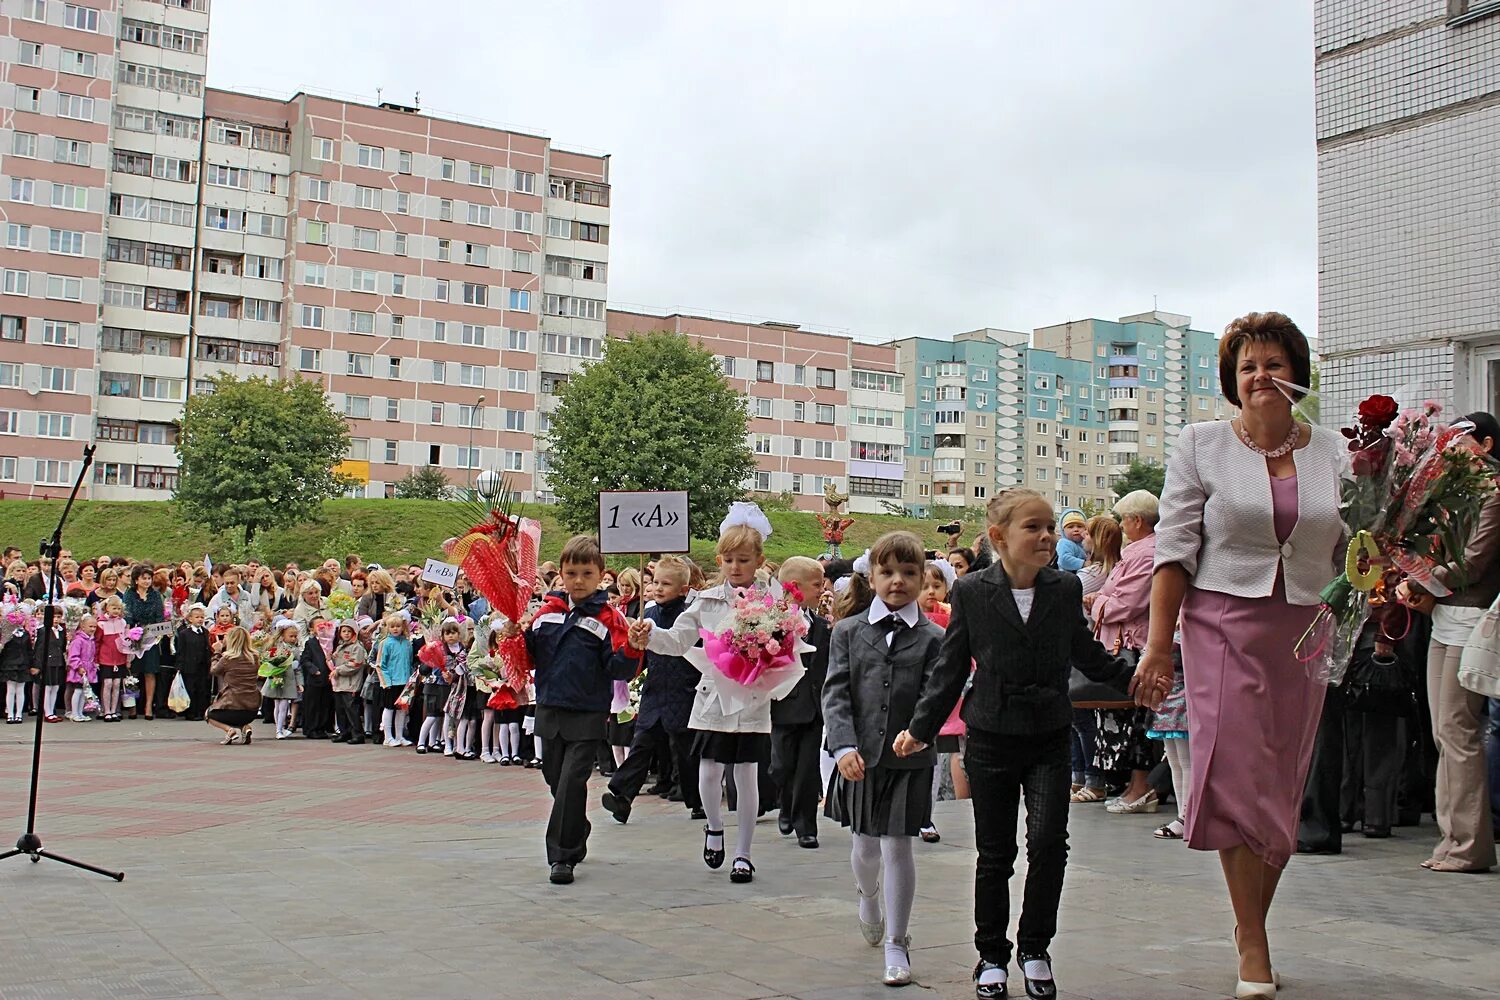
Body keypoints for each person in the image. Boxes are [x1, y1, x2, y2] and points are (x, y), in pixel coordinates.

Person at [1134, 311, 1343, 999]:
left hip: (1305, 627)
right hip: (1222, 620)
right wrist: (1158, 648)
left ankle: (1251, 922)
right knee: (1233, 769)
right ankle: (1252, 939)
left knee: (1282, 778)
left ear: (1296, 375)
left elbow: (1357, 544)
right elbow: (1173, 553)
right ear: (1233, 379)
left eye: (1274, 363)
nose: (1262, 376)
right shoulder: (1202, 445)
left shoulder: (1337, 450)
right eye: (1249, 366)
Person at [895, 488, 1137, 1000]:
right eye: (1034, 527)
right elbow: (951, 666)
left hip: (1049, 732)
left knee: (1049, 843)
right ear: (1000, 537)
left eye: (1050, 526)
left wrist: (1135, 680)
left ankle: (1035, 948)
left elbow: (1086, 654)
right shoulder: (973, 591)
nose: (1047, 536)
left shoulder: (1065, 588)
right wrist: (920, 728)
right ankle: (991, 955)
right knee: (995, 852)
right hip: (990, 735)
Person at [632, 503, 795, 885]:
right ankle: (715, 827)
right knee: (708, 771)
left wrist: (772, 653)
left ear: (759, 560)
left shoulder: (773, 602)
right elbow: (678, 641)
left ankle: (744, 853)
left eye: (743, 559)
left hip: (753, 697)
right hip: (712, 697)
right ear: (719, 561)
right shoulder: (704, 601)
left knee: (747, 775)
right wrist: (649, 636)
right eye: (728, 560)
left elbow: (788, 641)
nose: (735, 567)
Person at [823, 531, 945, 987]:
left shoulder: (935, 636)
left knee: (898, 844)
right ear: (871, 576)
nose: (898, 581)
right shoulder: (849, 632)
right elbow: (835, 692)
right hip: (860, 757)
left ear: (922, 578)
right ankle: (867, 897)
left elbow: (939, 692)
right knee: (864, 846)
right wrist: (842, 746)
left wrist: (920, 733)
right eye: (888, 572)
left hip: (909, 758)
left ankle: (897, 940)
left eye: (909, 573)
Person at [503, 535, 642, 885]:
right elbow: (529, 658)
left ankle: (562, 857)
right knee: (555, 780)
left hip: (587, 713)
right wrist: (513, 637)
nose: (578, 580)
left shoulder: (611, 618)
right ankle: (576, 826)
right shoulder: (546, 612)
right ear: (560, 574)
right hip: (549, 709)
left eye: (586, 573)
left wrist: (635, 649)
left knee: (570, 784)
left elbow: (620, 668)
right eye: (571, 572)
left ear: (601, 576)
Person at [1396, 410, 1500, 874]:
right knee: (1443, 732)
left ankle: (1471, 845)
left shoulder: (1494, 495)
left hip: (1473, 620)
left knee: (1459, 731)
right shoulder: (1456, 497)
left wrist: (1421, 579)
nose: (1451, 447)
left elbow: (1472, 565)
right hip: (1443, 618)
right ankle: (1451, 837)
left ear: (1488, 446)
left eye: (1462, 440)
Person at [600, 557, 704, 823]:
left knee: (685, 750)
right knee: (642, 743)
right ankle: (622, 796)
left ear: (683, 588)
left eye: (666, 584)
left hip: (684, 690)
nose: (657, 588)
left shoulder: (690, 615)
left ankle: (698, 800)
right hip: (656, 690)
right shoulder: (650, 614)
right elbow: (640, 654)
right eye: (655, 581)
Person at [1090, 490, 1163, 816]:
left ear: (1136, 520)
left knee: (1137, 721)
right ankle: (1134, 787)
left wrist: (1097, 602)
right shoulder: (1139, 552)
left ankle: (1140, 788)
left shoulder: (1144, 555)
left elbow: (1125, 603)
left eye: (1122, 519)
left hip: (1133, 647)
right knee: (1131, 720)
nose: (1120, 525)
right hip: (1129, 644)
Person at [769, 556, 833, 849]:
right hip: (782, 704)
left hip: (814, 706)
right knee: (781, 765)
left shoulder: (821, 624)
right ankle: (785, 803)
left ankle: (806, 825)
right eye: (817, 584)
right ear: (795, 586)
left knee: (807, 769)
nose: (823, 589)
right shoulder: (771, 621)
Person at [1072, 515, 1124, 804]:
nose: (1083, 537)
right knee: (1080, 717)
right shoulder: (1098, 571)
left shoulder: (1096, 574)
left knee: (1084, 716)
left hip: (1090, 648)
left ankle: (1092, 777)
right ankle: (1080, 775)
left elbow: (1067, 592)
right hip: (1087, 645)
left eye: (1088, 533)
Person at [122, 565, 167, 720]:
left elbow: (160, 617)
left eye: (149, 578)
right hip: (134, 634)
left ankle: (148, 705)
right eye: (144, 578)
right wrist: (128, 634)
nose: (147, 581)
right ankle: (132, 705)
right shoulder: (130, 594)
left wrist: (156, 633)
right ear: (136, 580)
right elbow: (127, 615)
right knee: (132, 672)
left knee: (150, 671)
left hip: (151, 636)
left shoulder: (155, 595)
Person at [206, 626, 260, 745]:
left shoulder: (228, 658)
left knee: (208, 714)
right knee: (239, 716)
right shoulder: (255, 657)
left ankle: (229, 731)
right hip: (252, 707)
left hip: (232, 703)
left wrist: (217, 652)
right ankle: (245, 728)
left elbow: (214, 671)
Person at [375, 614, 416, 747]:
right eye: (392, 626)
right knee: (389, 708)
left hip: (405, 682)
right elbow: (380, 664)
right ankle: (388, 736)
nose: (395, 629)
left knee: (402, 709)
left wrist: (410, 680)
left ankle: (399, 736)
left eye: (398, 626)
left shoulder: (407, 643)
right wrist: (386, 682)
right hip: (391, 682)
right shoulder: (385, 643)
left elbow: (409, 662)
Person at [260, 618, 304, 740]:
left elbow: (298, 668)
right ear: (282, 635)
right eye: (291, 636)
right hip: (277, 678)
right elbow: (267, 661)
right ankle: (279, 729)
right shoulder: (277, 648)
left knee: (284, 705)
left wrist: (300, 683)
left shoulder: (295, 650)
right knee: (277, 705)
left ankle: (280, 728)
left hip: (289, 680)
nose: (294, 639)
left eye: (295, 636)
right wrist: (272, 670)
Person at [329, 621, 368, 744]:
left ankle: (357, 733)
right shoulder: (341, 646)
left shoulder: (357, 647)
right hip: (339, 684)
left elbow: (355, 664)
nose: (346, 634)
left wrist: (338, 670)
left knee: (351, 710)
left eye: (349, 631)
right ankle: (344, 732)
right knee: (340, 710)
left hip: (351, 684)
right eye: (343, 631)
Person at [174, 605, 212, 722]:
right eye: (197, 617)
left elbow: (207, 648)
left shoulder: (205, 632)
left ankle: (201, 711)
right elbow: (181, 650)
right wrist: (179, 666)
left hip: (202, 666)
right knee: (191, 689)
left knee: (202, 689)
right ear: (190, 619)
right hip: (189, 666)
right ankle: (191, 712)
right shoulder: (184, 633)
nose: (200, 619)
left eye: (202, 617)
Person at [65, 615, 99, 722]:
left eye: (95, 627)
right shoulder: (78, 640)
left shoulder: (91, 640)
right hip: (79, 670)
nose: (93, 629)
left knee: (84, 692)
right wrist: (78, 666)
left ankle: (80, 712)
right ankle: (74, 713)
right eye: (90, 626)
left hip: (88, 669)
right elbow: (73, 656)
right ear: (83, 627)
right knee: (78, 691)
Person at [1, 611, 31, 723]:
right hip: (9, 664)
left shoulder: (26, 634)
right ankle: (10, 713)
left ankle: (19, 714)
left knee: (20, 690)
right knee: (10, 690)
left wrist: (31, 664)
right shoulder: (6, 634)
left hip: (23, 664)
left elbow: (29, 651)